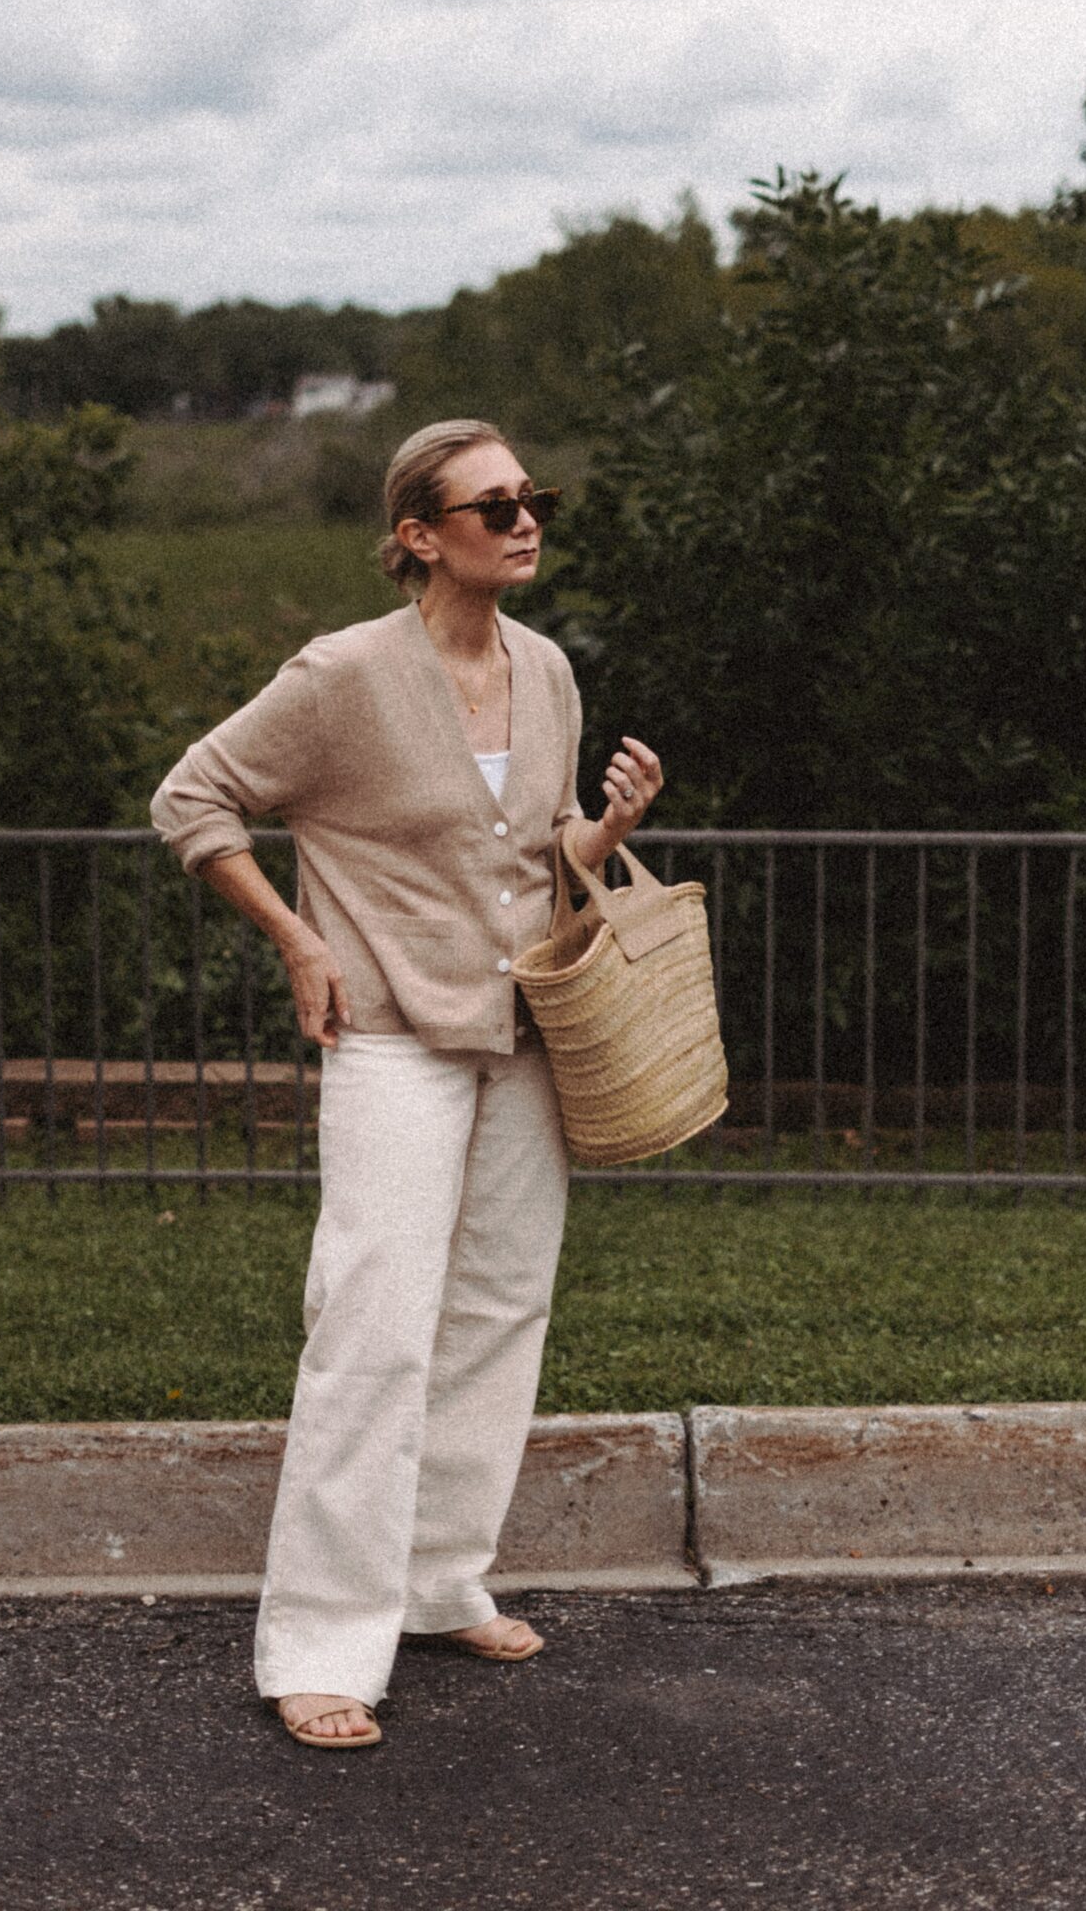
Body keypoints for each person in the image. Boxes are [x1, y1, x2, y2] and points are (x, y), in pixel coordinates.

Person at [150, 418, 662, 1749]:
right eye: (494, 506)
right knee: (374, 1327)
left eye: (534, 498)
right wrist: (296, 931)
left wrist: (602, 833)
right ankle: (318, 1643)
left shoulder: (549, 671)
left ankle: (439, 1578)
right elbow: (192, 801)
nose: (526, 519)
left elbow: (531, 845)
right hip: (386, 1036)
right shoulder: (343, 677)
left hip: (525, 1032)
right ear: (421, 536)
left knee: (498, 1307)